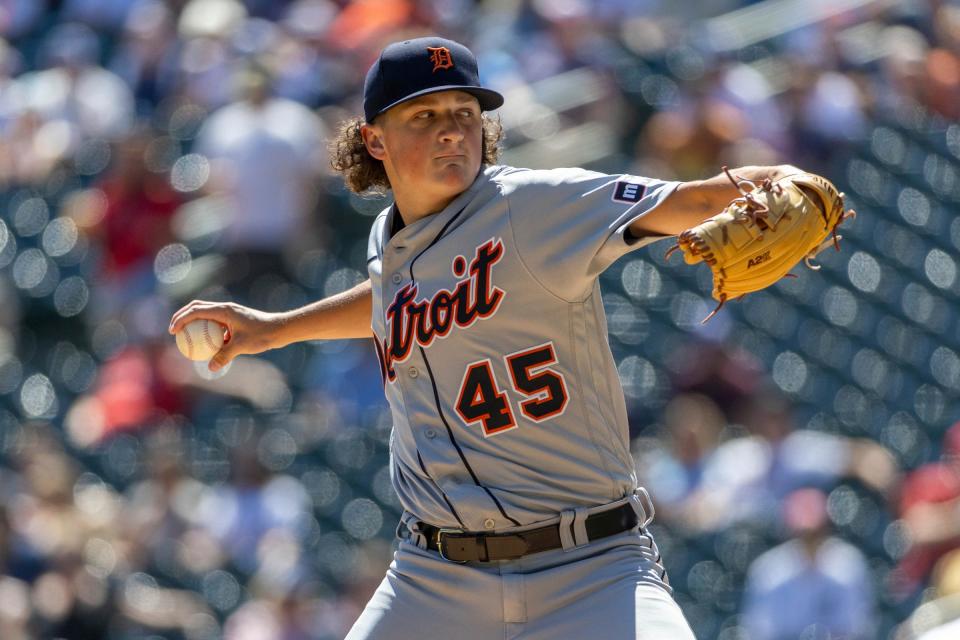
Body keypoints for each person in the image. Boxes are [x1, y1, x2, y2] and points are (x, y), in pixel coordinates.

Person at [169, 36, 807, 639]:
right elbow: (395, 301)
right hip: (435, 577)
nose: (451, 129)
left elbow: (691, 200)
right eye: (423, 115)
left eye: (465, 112)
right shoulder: (388, 240)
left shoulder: (534, 206)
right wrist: (276, 330)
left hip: (591, 565)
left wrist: (778, 177)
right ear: (374, 140)